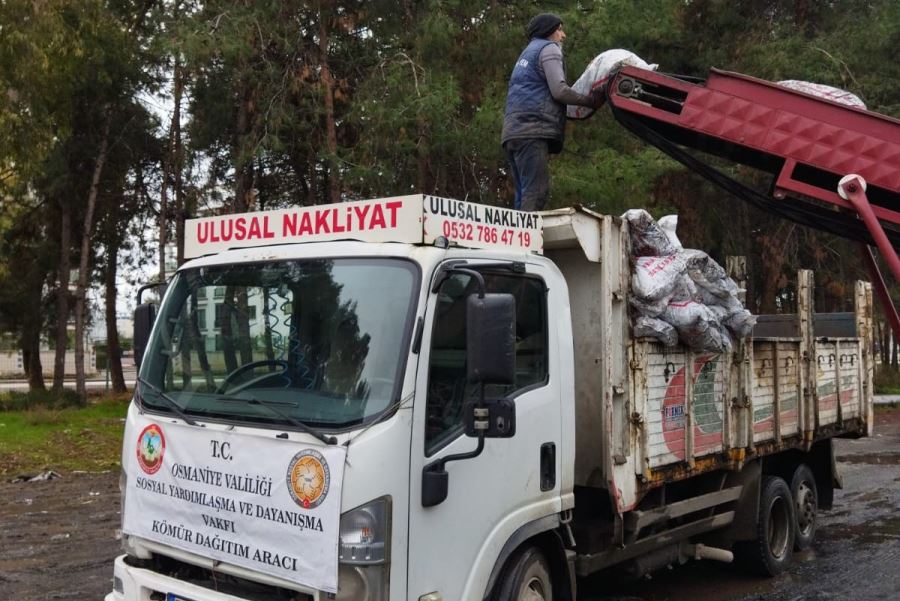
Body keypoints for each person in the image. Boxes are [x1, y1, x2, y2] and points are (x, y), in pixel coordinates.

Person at [501, 13, 603, 212]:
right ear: (548, 31)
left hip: (512, 133)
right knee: (536, 192)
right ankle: (527, 242)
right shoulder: (549, 49)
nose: (563, 35)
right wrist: (590, 100)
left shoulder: (527, 53)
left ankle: (517, 239)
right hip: (532, 131)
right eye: (559, 29)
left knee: (523, 193)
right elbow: (560, 90)